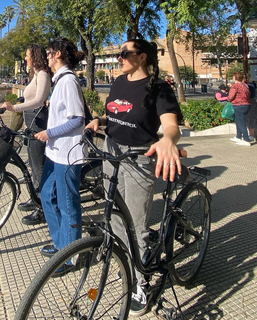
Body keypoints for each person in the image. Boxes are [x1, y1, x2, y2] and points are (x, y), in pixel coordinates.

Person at [86, 39, 182, 317]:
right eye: (118, 54)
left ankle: (142, 283)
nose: (118, 58)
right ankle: (125, 263)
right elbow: (112, 113)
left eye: (124, 54)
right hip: (111, 151)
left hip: (139, 158)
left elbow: (171, 125)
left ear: (141, 57)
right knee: (114, 214)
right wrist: (99, 122)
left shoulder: (158, 87)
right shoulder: (118, 81)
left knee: (137, 223)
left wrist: (167, 140)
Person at [33, 38, 86, 272]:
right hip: (55, 153)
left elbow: (77, 120)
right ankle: (60, 244)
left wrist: (49, 133)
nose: (46, 56)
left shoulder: (68, 82)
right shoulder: (59, 82)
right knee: (46, 194)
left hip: (67, 154)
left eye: (48, 52)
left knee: (67, 204)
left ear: (57, 55)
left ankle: (70, 255)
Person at [1, 44, 52, 225]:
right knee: (32, 163)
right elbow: (30, 98)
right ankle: (36, 197)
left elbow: (39, 100)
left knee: (38, 167)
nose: (25, 59)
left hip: (39, 123)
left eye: (27, 55)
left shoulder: (43, 75)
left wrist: (15, 107)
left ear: (35, 56)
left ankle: (44, 208)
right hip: (31, 123)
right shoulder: (36, 75)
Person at [227, 72, 251, 146]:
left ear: (235, 78)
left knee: (241, 122)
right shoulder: (245, 85)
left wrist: (228, 99)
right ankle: (238, 136)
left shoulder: (235, 86)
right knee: (238, 120)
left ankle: (246, 139)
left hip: (238, 105)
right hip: (247, 104)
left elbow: (231, 96)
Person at [245, 76, 257, 142]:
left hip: (249, 102)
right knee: (252, 118)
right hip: (253, 102)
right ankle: (252, 134)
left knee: (249, 118)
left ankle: (251, 135)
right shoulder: (253, 85)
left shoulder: (248, 86)